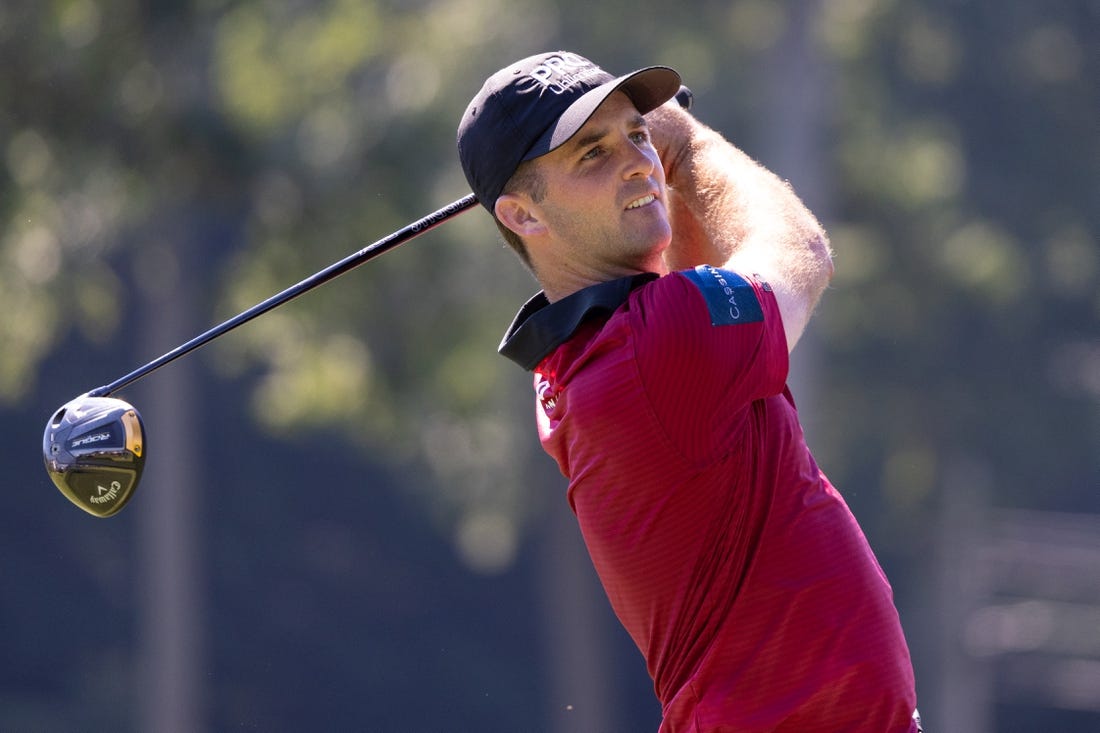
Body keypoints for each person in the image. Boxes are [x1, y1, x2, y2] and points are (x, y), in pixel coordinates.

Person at [457, 51, 922, 733]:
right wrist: (685, 142)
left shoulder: (592, 355)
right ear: (523, 215)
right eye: (592, 153)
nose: (636, 160)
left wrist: (660, 161)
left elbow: (698, 285)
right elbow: (801, 250)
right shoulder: (654, 345)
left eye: (635, 134)